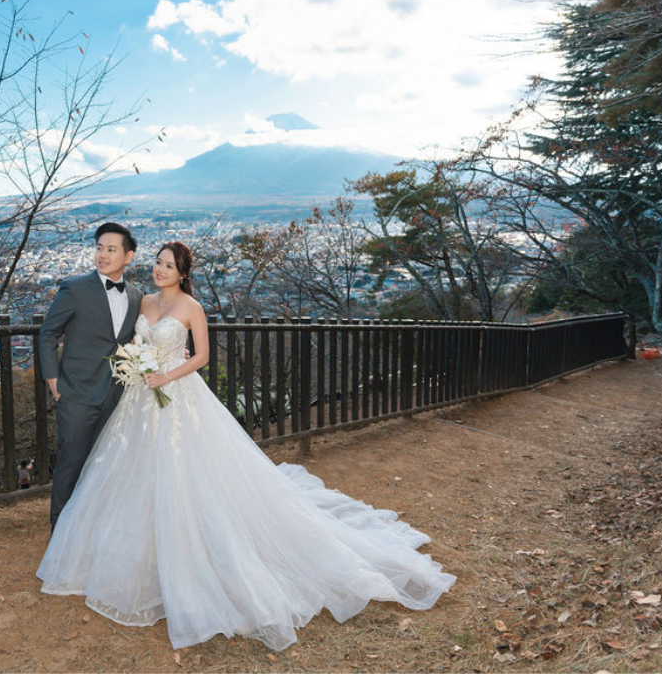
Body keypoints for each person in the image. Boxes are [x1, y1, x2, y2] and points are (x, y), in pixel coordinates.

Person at [38, 242, 455, 651]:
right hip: (138, 401)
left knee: (185, 471)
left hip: (176, 394)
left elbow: (201, 357)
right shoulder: (141, 300)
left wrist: (166, 375)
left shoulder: (191, 307)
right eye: (158, 263)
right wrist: (137, 364)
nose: (160, 270)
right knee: (129, 471)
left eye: (169, 265)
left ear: (183, 273)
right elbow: (124, 342)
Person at [38, 222, 143, 531]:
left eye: (111, 249)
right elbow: (47, 334)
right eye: (99, 248)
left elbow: (140, 341)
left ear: (129, 256)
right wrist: (55, 385)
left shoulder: (137, 297)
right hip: (77, 394)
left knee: (104, 466)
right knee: (70, 465)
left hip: (116, 395)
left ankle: (92, 530)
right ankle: (60, 534)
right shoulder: (75, 288)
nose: (102, 255)